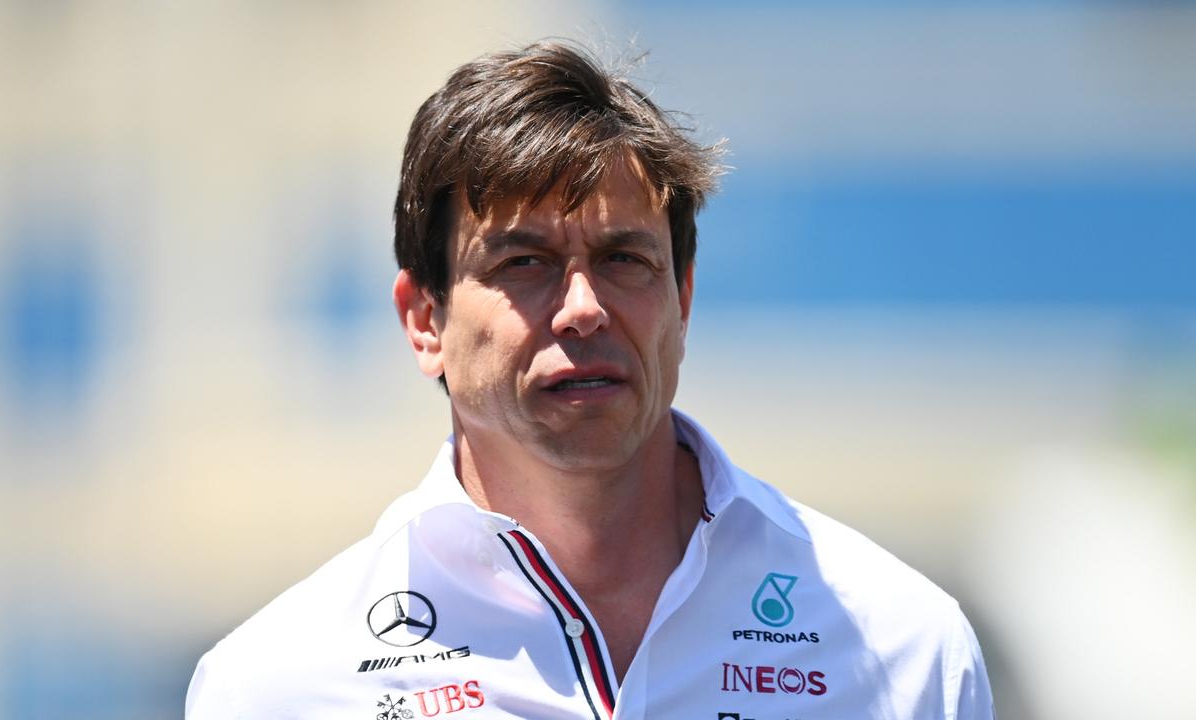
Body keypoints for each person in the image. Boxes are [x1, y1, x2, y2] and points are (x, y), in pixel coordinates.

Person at [186, 41, 994, 719]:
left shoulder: (903, 647)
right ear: (424, 320)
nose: (583, 309)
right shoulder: (273, 686)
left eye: (623, 260)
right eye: (525, 262)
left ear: (681, 296)